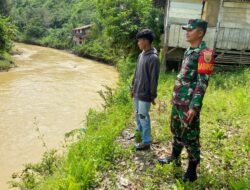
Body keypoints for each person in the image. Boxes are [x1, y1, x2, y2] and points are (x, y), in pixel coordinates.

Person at [158, 19, 214, 182]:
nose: (187, 32)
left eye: (191, 30)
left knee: (190, 135)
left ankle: (191, 171)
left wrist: (194, 107)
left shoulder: (205, 54)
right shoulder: (189, 51)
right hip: (178, 101)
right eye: (186, 29)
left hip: (189, 104)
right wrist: (174, 97)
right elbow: (183, 77)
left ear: (200, 33)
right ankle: (174, 157)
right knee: (176, 130)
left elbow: (202, 82)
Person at [131, 29, 160, 151]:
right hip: (137, 91)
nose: (138, 43)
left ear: (146, 41)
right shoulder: (141, 55)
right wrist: (132, 88)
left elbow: (154, 79)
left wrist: (152, 95)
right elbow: (136, 73)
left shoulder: (153, 58)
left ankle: (146, 141)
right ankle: (139, 133)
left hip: (145, 94)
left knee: (143, 116)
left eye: (140, 41)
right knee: (137, 114)